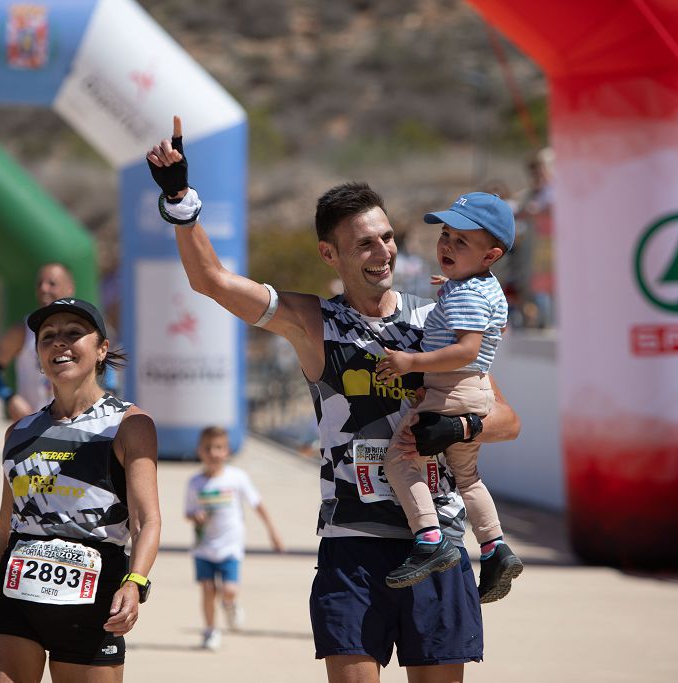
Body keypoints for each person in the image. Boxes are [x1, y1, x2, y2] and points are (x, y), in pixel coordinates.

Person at [147, 118, 521, 682]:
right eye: (364, 243)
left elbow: (508, 420)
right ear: (330, 254)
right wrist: (179, 199)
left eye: (388, 237)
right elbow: (211, 280)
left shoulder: (439, 318)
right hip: (353, 544)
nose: (382, 252)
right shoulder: (315, 323)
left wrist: (459, 431)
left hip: (439, 539)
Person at [0, 298, 160, 683]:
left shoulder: (130, 424)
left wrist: (136, 581)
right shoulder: (19, 432)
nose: (59, 343)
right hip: (14, 598)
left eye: (74, 334)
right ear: (39, 356)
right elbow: (4, 529)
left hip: (93, 601)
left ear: (101, 349)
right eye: (48, 337)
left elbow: (147, 520)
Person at [374, 193, 523, 602]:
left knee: (401, 459)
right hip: (473, 394)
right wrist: (450, 290)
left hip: (451, 390)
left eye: (461, 242)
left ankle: (428, 538)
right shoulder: (477, 287)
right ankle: (494, 548)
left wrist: (409, 362)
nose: (446, 245)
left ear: (491, 255)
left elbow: (466, 350)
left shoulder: (469, 294)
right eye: (445, 235)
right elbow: (474, 315)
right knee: (468, 477)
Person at [185, 425, 285, 650]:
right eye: (208, 448)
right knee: (208, 590)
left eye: (219, 447)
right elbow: (188, 512)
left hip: (230, 547)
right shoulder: (195, 483)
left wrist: (273, 533)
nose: (214, 453)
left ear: (228, 451)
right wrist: (195, 516)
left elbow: (258, 505)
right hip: (204, 547)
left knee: (229, 590)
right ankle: (210, 630)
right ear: (199, 451)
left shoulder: (237, 478)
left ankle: (230, 605)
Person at [0, 263, 77, 421]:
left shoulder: (83, 330)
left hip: (74, 425)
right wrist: (10, 398)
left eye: (51, 283)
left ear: (69, 288)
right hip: (34, 427)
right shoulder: (23, 331)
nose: (43, 289)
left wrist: (109, 389)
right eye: (39, 284)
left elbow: (105, 367)